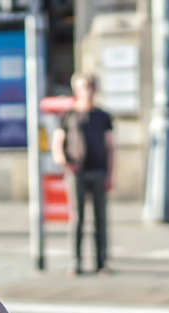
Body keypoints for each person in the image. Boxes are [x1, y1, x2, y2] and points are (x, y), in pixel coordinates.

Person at [51, 74, 115, 276]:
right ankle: (76, 260)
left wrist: (110, 174)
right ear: (76, 89)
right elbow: (58, 142)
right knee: (77, 217)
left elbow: (110, 146)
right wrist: (65, 163)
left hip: (98, 171)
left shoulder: (103, 116)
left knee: (100, 219)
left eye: (91, 86)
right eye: (84, 86)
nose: (88, 90)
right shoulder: (69, 115)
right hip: (77, 171)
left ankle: (101, 261)